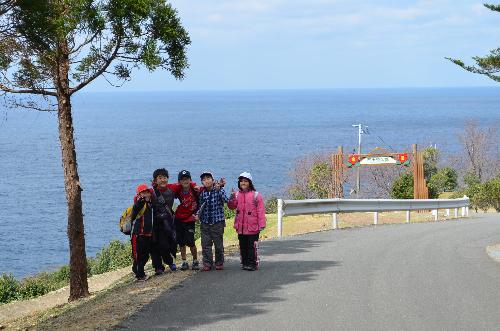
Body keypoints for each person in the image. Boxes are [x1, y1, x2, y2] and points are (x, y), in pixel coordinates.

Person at [228, 172, 266, 271]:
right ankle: (245, 263)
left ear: (250, 182)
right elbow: (231, 207)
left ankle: (253, 264)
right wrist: (231, 198)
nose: (243, 183)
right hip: (241, 227)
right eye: (241, 181)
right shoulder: (236, 194)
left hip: (253, 226)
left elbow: (261, 211)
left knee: (252, 246)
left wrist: (262, 224)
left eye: (245, 181)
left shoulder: (256, 195)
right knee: (243, 246)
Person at [197, 171, 229, 271]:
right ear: (202, 182)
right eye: (204, 179)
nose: (206, 181)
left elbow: (226, 200)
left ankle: (219, 262)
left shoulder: (219, 190)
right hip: (205, 222)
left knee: (218, 245)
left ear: (212, 179)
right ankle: (207, 263)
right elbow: (201, 206)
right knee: (205, 245)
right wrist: (197, 215)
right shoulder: (202, 193)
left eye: (208, 178)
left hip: (217, 222)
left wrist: (220, 190)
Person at [150, 168, 177, 274]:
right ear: (155, 180)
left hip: (166, 222)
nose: (163, 180)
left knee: (165, 245)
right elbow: (138, 198)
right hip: (154, 223)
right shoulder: (151, 193)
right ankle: (158, 267)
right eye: (160, 178)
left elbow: (186, 185)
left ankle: (169, 262)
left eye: (165, 177)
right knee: (154, 246)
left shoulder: (171, 190)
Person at [175, 170, 200, 270]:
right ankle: (184, 261)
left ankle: (195, 260)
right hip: (179, 219)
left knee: (190, 241)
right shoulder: (178, 189)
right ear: (179, 181)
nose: (185, 181)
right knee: (181, 242)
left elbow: (203, 190)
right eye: (182, 179)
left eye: (187, 179)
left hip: (190, 219)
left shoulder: (195, 189)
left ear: (190, 180)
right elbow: (167, 190)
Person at [130, 183, 154, 281]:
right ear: (139, 195)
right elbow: (135, 210)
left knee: (145, 256)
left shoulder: (149, 204)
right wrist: (141, 200)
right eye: (143, 193)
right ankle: (140, 275)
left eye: (147, 192)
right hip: (138, 234)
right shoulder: (139, 204)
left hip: (147, 234)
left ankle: (136, 270)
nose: (146, 194)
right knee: (139, 256)